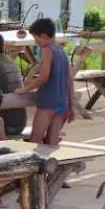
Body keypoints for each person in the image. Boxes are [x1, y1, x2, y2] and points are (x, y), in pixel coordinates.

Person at [22, 17, 73, 146]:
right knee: (52, 142)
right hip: (62, 102)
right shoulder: (62, 51)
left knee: (35, 140)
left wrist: (25, 89)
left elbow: (44, 76)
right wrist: (70, 105)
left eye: (36, 38)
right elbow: (69, 81)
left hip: (48, 101)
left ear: (43, 35)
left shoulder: (47, 50)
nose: (36, 42)